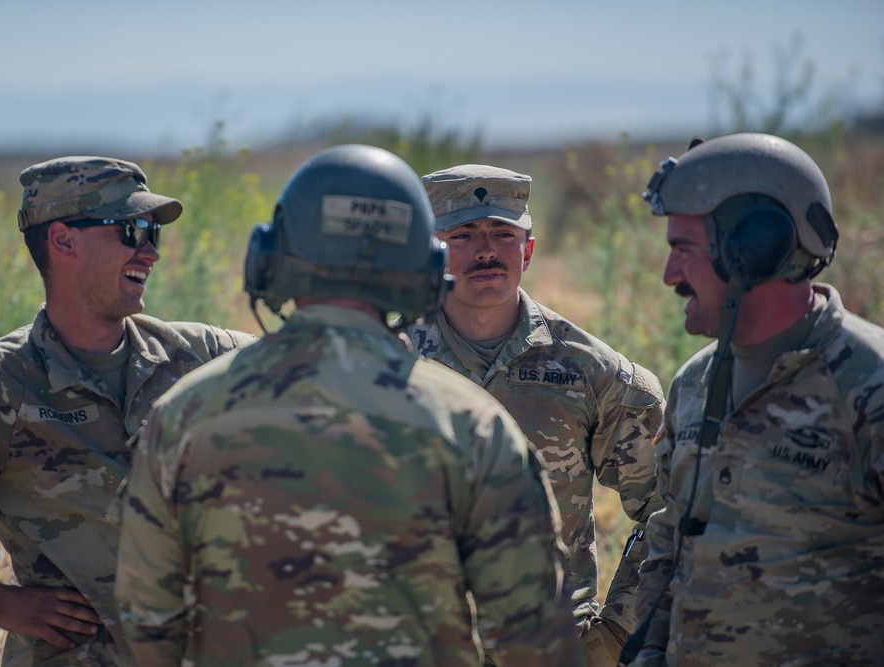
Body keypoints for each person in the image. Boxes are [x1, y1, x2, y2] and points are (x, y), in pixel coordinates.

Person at [115, 144, 583, 666]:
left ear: (271, 257)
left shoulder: (184, 414)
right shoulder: (470, 423)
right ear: (426, 268)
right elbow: (534, 634)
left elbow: (146, 618)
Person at [0, 156, 256, 665]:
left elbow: (316, 376)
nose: (150, 252)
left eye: (154, 233)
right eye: (132, 230)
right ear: (63, 241)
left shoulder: (203, 356)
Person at [626, 132, 884, 666]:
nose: (669, 276)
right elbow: (671, 546)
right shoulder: (694, 385)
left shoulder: (869, 385)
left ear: (754, 250)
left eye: (683, 250)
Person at [408, 164, 665, 665]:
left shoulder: (592, 372)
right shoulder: (388, 361)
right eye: (463, 234)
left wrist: (616, 632)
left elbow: (671, 509)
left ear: (527, 250)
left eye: (503, 234)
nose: (486, 250)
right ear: (431, 252)